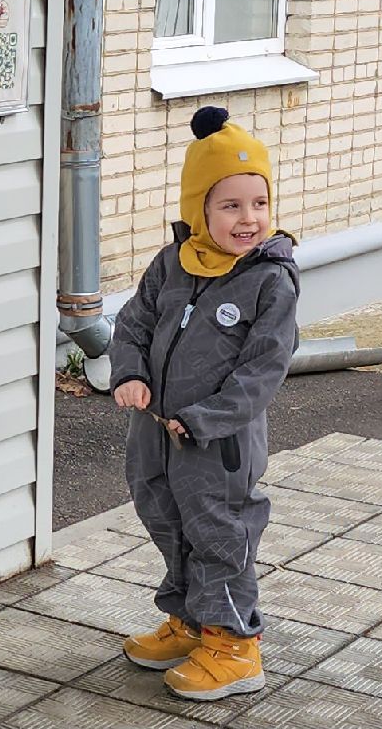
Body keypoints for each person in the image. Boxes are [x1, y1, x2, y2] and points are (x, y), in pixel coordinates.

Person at [110, 106, 298, 702]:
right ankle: (193, 621)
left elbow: (262, 370)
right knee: (165, 517)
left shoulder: (270, 281)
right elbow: (134, 325)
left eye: (258, 204)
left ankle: (235, 644)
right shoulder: (173, 264)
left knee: (220, 532)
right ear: (200, 210)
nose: (249, 219)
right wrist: (131, 375)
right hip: (155, 432)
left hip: (217, 442)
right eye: (230, 206)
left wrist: (204, 420)